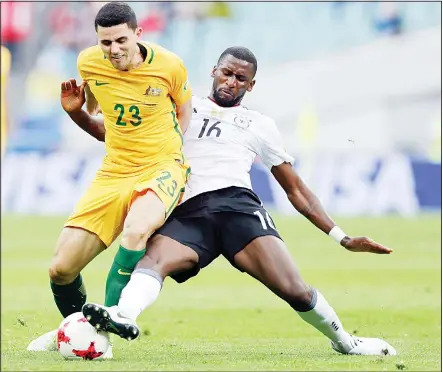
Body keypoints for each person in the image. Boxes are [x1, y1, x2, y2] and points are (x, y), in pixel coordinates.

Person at [77, 46, 396, 355]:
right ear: (213, 71)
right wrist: (75, 111)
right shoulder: (177, 107)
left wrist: (342, 238)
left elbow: (295, 190)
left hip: (238, 208)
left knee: (294, 290)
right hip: (190, 212)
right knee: (152, 262)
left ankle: (345, 342)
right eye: (226, 73)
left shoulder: (260, 125)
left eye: (240, 78)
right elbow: (113, 133)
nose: (231, 82)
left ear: (251, 85)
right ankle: (124, 317)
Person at [27, 2, 192, 353]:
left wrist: (179, 154)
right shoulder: (88, 63)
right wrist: (74, 113)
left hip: (161, 166)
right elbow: (100, 129)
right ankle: (78, 330)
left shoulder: (169, 66)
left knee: (135, 231)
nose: (114, 50)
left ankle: (109, 319)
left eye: (121, 40)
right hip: (114, 170)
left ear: (138, 34)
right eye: (106, 43)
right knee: (60, 269)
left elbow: (183, 108)